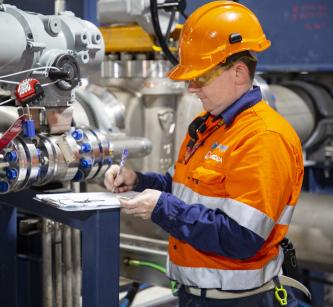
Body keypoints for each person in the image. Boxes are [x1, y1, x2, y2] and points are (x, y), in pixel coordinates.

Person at [104, 1, 309, 306]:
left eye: (201, 77)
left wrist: (162, 208)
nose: (192, 88)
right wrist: (137, 181)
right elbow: (184, 189)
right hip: (194, 296)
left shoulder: (264, 137)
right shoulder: (208, 126)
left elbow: (241, 238)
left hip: (240, 301)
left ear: (239, 73)